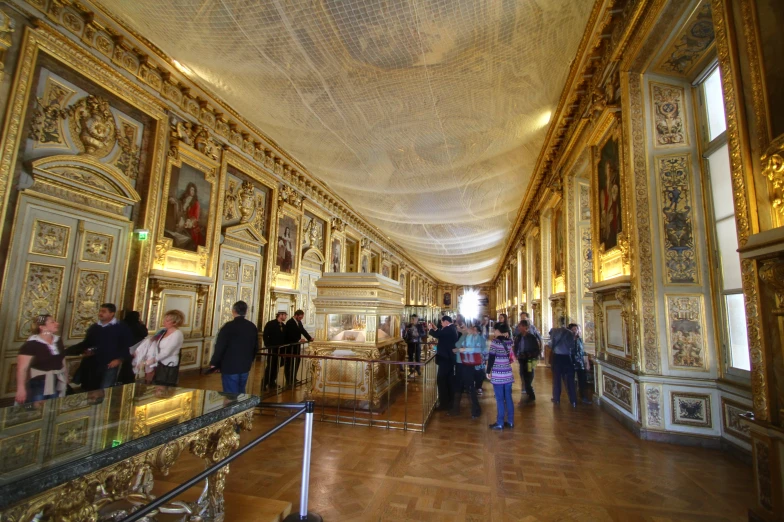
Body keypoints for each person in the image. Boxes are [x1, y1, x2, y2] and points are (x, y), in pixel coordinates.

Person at [68, 303, 133, 390]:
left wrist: (119, 359)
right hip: (92, 363)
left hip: (109, 364)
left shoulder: (121, 327)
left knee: (105, 390)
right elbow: (86, 343)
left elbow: (126, 345)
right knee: (88, 388)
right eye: (100, 311)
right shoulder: (94, 327)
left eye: (104, 311)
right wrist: (70, 351)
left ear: (112, 313)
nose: (100, 313)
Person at [16, 314, 67, 403]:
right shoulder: (31, 344)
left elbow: (62, 360)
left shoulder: (58, 340)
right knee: (36, 412)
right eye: (52, 322)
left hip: (56, 380)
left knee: (53, 408)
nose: (57, 323)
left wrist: (65, 376)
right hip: (38, 384)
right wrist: (21, 389)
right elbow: (21, 369)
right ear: (42, 327)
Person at [210, 301, 259, 394]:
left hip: (230, 366)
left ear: (233, 311)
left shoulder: (228, 327)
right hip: (245, 366)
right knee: (241, 393)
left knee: (230, 395)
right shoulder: (251, 326)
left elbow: (220, 346)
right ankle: (241, 408)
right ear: (246, 311)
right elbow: (255, 347)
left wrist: (214, 362)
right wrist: (250, 360)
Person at [133, 310, 185, 385]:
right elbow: (153, 342)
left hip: (169, 365)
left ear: (175, 322)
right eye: (165, 319)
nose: (164, 322)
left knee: (164, 387)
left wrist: (149, 361)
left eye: (167, 320)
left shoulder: (177, 334)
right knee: (157, 385)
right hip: (159, 363)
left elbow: (166, 352)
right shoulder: (163, 331)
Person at [450, 324, 483, 418]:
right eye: (472, 328)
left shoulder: (477, 338)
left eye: (475, 329)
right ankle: (459, 409)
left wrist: (461, 349)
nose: (472, 330)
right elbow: (459, 345)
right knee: (462, 386)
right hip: (463, 363)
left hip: (468, 364)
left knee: (469, 387)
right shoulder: (467, 336)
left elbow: (476, 350)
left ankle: (476, 410)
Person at [487, 323, 515, 430]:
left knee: (499, 399)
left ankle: (500, 422)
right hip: (508, 373)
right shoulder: (509, 342)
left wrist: (488, 371)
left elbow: (491, 358)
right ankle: (510, 421)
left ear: (499, 331)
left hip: (498, 374)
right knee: (508, 397)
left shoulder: (495, 342)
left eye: (495, 330)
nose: (494, 332)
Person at [428, 316, 458, 411]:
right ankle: (448, 401)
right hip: (448, 358)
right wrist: (435, 329)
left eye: (441, 322)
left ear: (445, 322)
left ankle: (444, 403)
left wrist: (430, 329)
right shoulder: (451, 328)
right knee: (447, 380)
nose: (441, 324)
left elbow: (438, 334)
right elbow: (441, 334)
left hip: (446, 359)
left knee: (441, 380)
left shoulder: (449, 329)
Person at [549, 320, 578, 407]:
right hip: (567, 358)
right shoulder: (570, 333)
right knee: (570, 381)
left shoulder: (554, 331)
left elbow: (551, 345)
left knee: (557, 380)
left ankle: (556, 398)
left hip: (557, 358)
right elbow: (572, 347)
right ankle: (573, 400)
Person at [284, 309, 312, 387]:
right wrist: (298, 340)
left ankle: (293, 377)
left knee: (297, 361)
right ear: (296, 315)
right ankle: (288, 379)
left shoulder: (299, 322)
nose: (300, 319)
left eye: (301, 318)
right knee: (289, 363)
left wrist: (309, 338)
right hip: (290, 346)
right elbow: (289, 334)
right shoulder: (289, 323)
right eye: (300, 317)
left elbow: (303, 330)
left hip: (296, 346)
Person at [515, 320, 541, 402]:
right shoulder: (518, 337)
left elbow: (536, 349)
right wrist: (517, 354)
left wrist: (531, 355)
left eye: (520, 326)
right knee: (522, 374)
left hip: (530, 360)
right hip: (522, 359)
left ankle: (531, 394)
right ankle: (529, 391)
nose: (519, 328)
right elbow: (516, 347)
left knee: (529, 376)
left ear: (525, 327)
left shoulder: (531, 337)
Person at [262, 311, 288, 389]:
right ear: (280, 315)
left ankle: (272, 381)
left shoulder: (283, 325)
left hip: (280, 349)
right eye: (285, 315)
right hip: (273, 349)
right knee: (270, 366)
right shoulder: (270, 324)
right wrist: (268, 346)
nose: (286, 317)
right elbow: (265, 335)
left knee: (277, 366)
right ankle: (264, 383)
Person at [569, 323, 592, 404]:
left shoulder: (580, 340)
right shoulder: (568, 340)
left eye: (576, 329)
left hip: (580, 363)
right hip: (571, 362)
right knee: (571, 381)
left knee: (582, 381)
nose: (575, 331)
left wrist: (587, 363)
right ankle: (572, 398)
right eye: (573, 329)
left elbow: (583, 352)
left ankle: (583, 397)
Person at [404, 314, 426, 379]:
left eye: (415, 319)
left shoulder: (420, 326)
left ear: (417, 319)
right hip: (410, 343)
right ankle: (411, 370)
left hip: (417, 343)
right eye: (412, 319)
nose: (413, 320)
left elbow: (423, 333)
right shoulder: (408, 325)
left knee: (417, 357)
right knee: (410, 357)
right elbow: (405, 334)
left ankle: (417, 369)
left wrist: (418, 334)